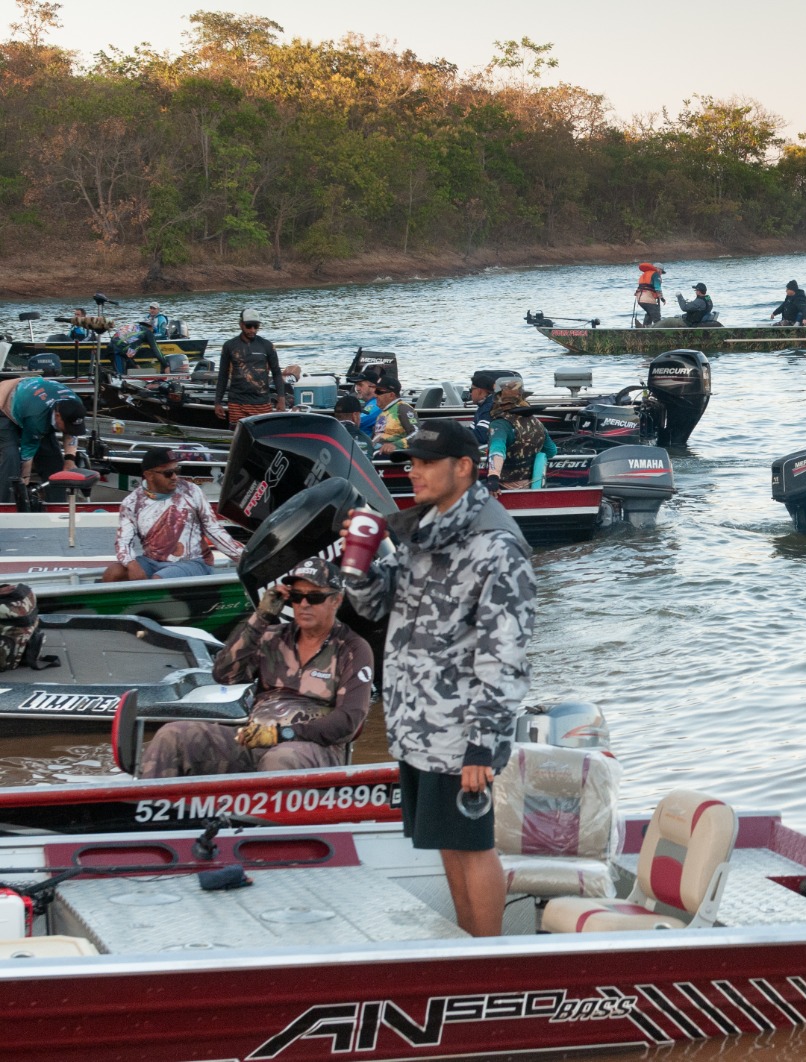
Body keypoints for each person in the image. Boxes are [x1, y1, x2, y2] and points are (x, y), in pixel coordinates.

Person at [341, 419, 537, 937]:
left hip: (461, 730)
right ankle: (466, 949)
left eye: (427, 463)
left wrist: (482, 747)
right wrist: (357, 567)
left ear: (465, 467)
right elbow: (379, 607)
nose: (415, 473)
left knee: (473, 846)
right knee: (449, 845)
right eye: (412, 462)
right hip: (417, 723)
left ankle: (486, 962)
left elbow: (507, 656)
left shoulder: (497, 546)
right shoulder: (422, 530)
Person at [138, 558, 374, 778]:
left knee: (281, 758)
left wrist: (282, 734)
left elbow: (347, 722)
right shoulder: (271, 637)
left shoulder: (353, 649)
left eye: (314, 597)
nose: (303, 604)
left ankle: (272, 822)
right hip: (253, 740)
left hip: (316, 752)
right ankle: (146, 812)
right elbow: (224, 674)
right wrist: (260, 616)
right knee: (173, 736)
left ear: (336, 600)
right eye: (296, 596)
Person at [102, 447, 244, 581]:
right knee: (113, 573)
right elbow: (123, 541)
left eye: (177, 470)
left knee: (158, 579)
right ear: (149, 475)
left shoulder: (192, 491)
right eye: (168, 473)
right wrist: (131, 564)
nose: (175, 477)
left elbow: (213, 530)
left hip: (193, 562)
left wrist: (244, 557)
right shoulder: (131, 502)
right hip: (151, 562)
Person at [0, 376, 85, 504]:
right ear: (57, 416)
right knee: (11, 456)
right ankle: (5, 505)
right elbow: (27, 454)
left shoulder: (75, 405)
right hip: (4, 404)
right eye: (66, 425)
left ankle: (57, 506)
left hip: (33, 403)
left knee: (54, 461)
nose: (69, 428)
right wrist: (24, 479)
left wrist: (69, 460)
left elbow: (71, 432)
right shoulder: (36, 418)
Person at [214, 309, 286, 427]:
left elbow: (276, 373)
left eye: (256, 326)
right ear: (241, 324)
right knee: (238, 435)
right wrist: (217, 402)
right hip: (237, 402)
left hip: (261, 402)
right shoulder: (229, 346)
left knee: (263, 433)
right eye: (248, 326)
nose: (252, 330)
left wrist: (281, 398)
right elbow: (223, 375)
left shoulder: (267, 345)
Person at [485, 380, 556, 493]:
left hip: (503, 487)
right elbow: (552, 451)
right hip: (532, 485)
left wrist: (493, 478)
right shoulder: (537, 423)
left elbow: (497, 450)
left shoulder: (500, 424)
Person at [372, 376, 419, 456]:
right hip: (375, 451)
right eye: (375, 391)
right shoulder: (383, 412)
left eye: (379, 392)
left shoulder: (403, 408)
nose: (375, 395)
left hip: (391, 455)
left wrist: (395, 445)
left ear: (391, 395)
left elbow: (417, 433)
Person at [467, 370, 504, 445]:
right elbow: (472, 429)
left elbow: (481, 436)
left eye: (471, 390)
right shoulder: (485, 405)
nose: (470, 393)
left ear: (479, 391)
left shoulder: (489, 407)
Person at [352, 366, 382, 437]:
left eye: (360, 385)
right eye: (356, 385)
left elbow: (357, 422)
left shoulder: (376, 405)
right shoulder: (371, 403)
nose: (357, 388)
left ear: (373, 387)